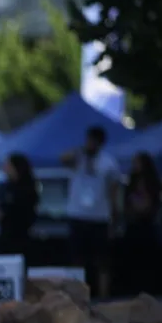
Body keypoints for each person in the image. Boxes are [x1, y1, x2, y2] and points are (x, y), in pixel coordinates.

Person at [61, 125, 122, 298]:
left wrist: (114, 217)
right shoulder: (78, 157)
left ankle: (103, 296)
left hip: (99, 217)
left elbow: (114, 191)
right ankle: (77, 296)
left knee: (102, 262)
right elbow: (63, 159)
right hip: (78, 216)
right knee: (77, 260)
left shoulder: (108, 163)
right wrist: (80, 151)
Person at [122, 151, 162, 294]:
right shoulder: (131, 183)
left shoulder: (151, 184)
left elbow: (150, 205)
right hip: (133, 228)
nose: (134, 166)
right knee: (133, 264)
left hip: (147, 228)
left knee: (147, 265)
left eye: (137, 163)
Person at [0, 153, 39, 259]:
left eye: (8, 166)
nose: (4, 169)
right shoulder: (6, 188)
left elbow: (24, 212)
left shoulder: (27, 189)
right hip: (5, 237)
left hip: (21, 238)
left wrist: (5, 214)